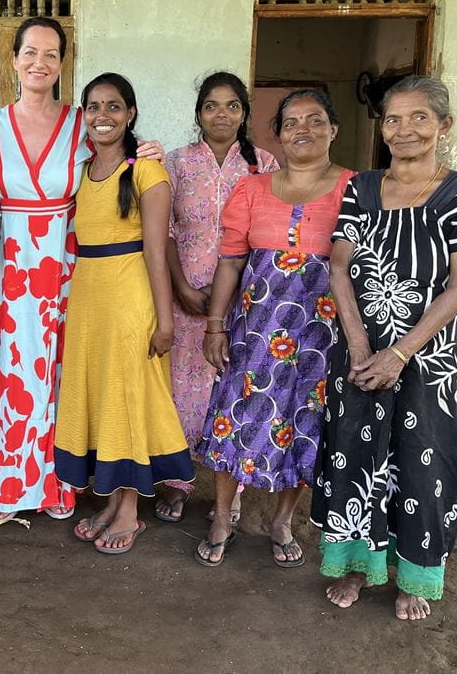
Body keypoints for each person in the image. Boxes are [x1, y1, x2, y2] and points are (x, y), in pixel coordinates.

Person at [311, 76, 457, 620]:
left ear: (443, 125)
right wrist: (361, 344)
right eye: (393, 119)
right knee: (356, 456)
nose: (404, 129)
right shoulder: (361, 188)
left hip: (423, 359)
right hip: (360, 356)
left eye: (418, 118)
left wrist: (400, 353)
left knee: (420, 465)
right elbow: (339, 267)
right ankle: (360, 568)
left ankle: (414, 574)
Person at [0, 17, 163, 522]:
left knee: (62, 373)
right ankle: (14, 486)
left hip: (65, 263)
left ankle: (61, 487)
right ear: (14, 59)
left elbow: (119, 157)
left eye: (52, 53)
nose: (40, 62)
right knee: (11, 374)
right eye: (31, 52)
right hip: (7, 264)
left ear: (63, 63)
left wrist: (150, 150)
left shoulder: (82, 124)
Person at [194, 89, 354, 568]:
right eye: (291, 122)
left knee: (305, 424)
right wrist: (215, 326)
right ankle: (224, 515)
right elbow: (229, 264)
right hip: (255, 330)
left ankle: (284, 519)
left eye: (315, 120)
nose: (302, 129)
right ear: (278, 133)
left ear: (334, 130)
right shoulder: (252, 189)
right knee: (236, 416)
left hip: (321, 335)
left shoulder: (357, 189)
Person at [54, 74, 194, 554]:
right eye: (93, 107)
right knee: (104, 399)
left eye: (114, 107)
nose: (102, 116)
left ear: (130, 114)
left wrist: (166, 320)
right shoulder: (82, 172)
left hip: (131, 299)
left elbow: (157, 253)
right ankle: (112, 501)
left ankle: (130, 511)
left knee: (129, 400)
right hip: (90, 300)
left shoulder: (147, 173)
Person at [157, 72, 279, 524]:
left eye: (231, 105)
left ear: (244, 113)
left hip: (244, 302)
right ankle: (175, 481)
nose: (221, 114)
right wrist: (184, 288)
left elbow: (267, 235)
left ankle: (232, 493)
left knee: (234, 392)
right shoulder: (176, 163)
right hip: (184, 295)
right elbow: (164, 231)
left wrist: (233, 297)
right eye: (211, 105)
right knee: (180, 393)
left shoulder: (264, 166)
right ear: (198, 114)